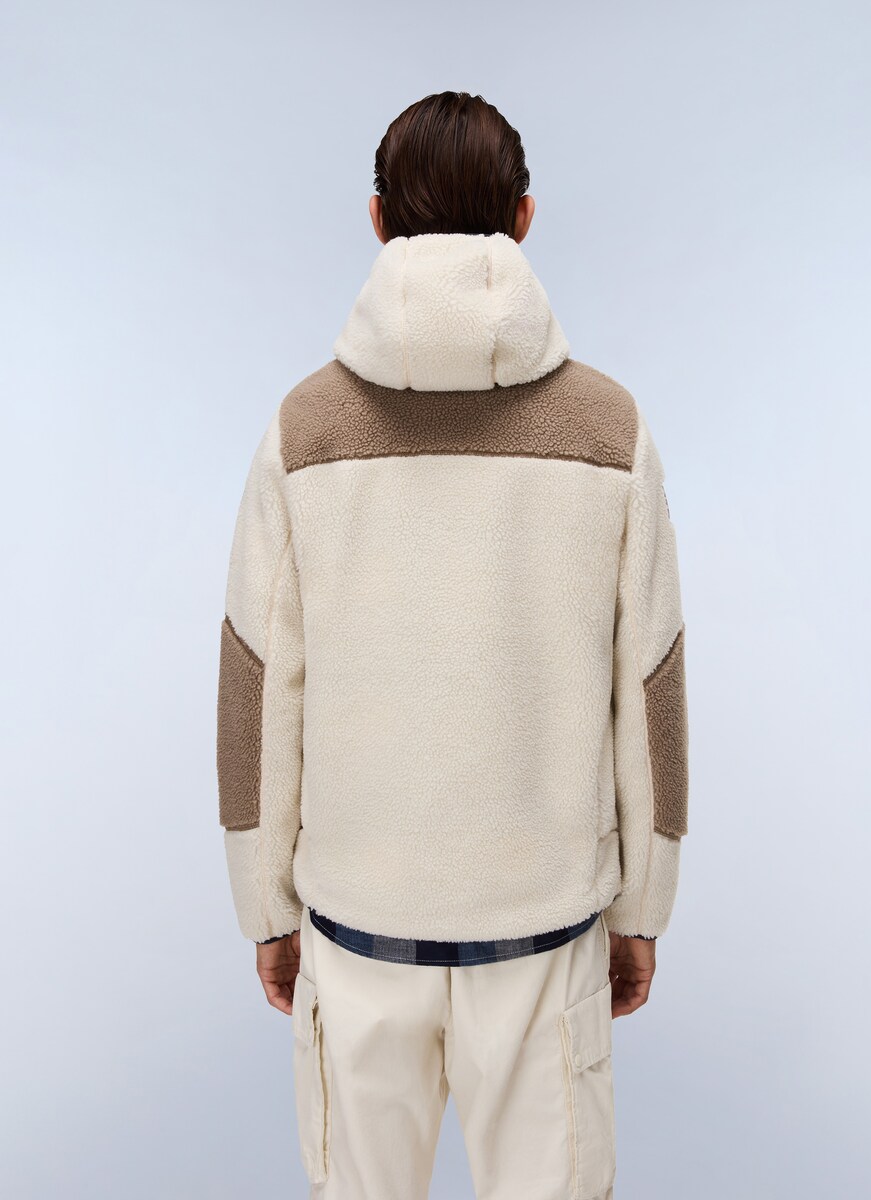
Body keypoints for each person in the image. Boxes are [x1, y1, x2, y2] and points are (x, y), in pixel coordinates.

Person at [216, 89, 689, 1200]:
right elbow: (652, 689)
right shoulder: (609, 431)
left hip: (356, 932)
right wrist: (643, 910)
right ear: (524, 218)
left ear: (378, 219)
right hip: (545, 936)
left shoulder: (302, 431)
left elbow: (256, 688)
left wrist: (266, 909)